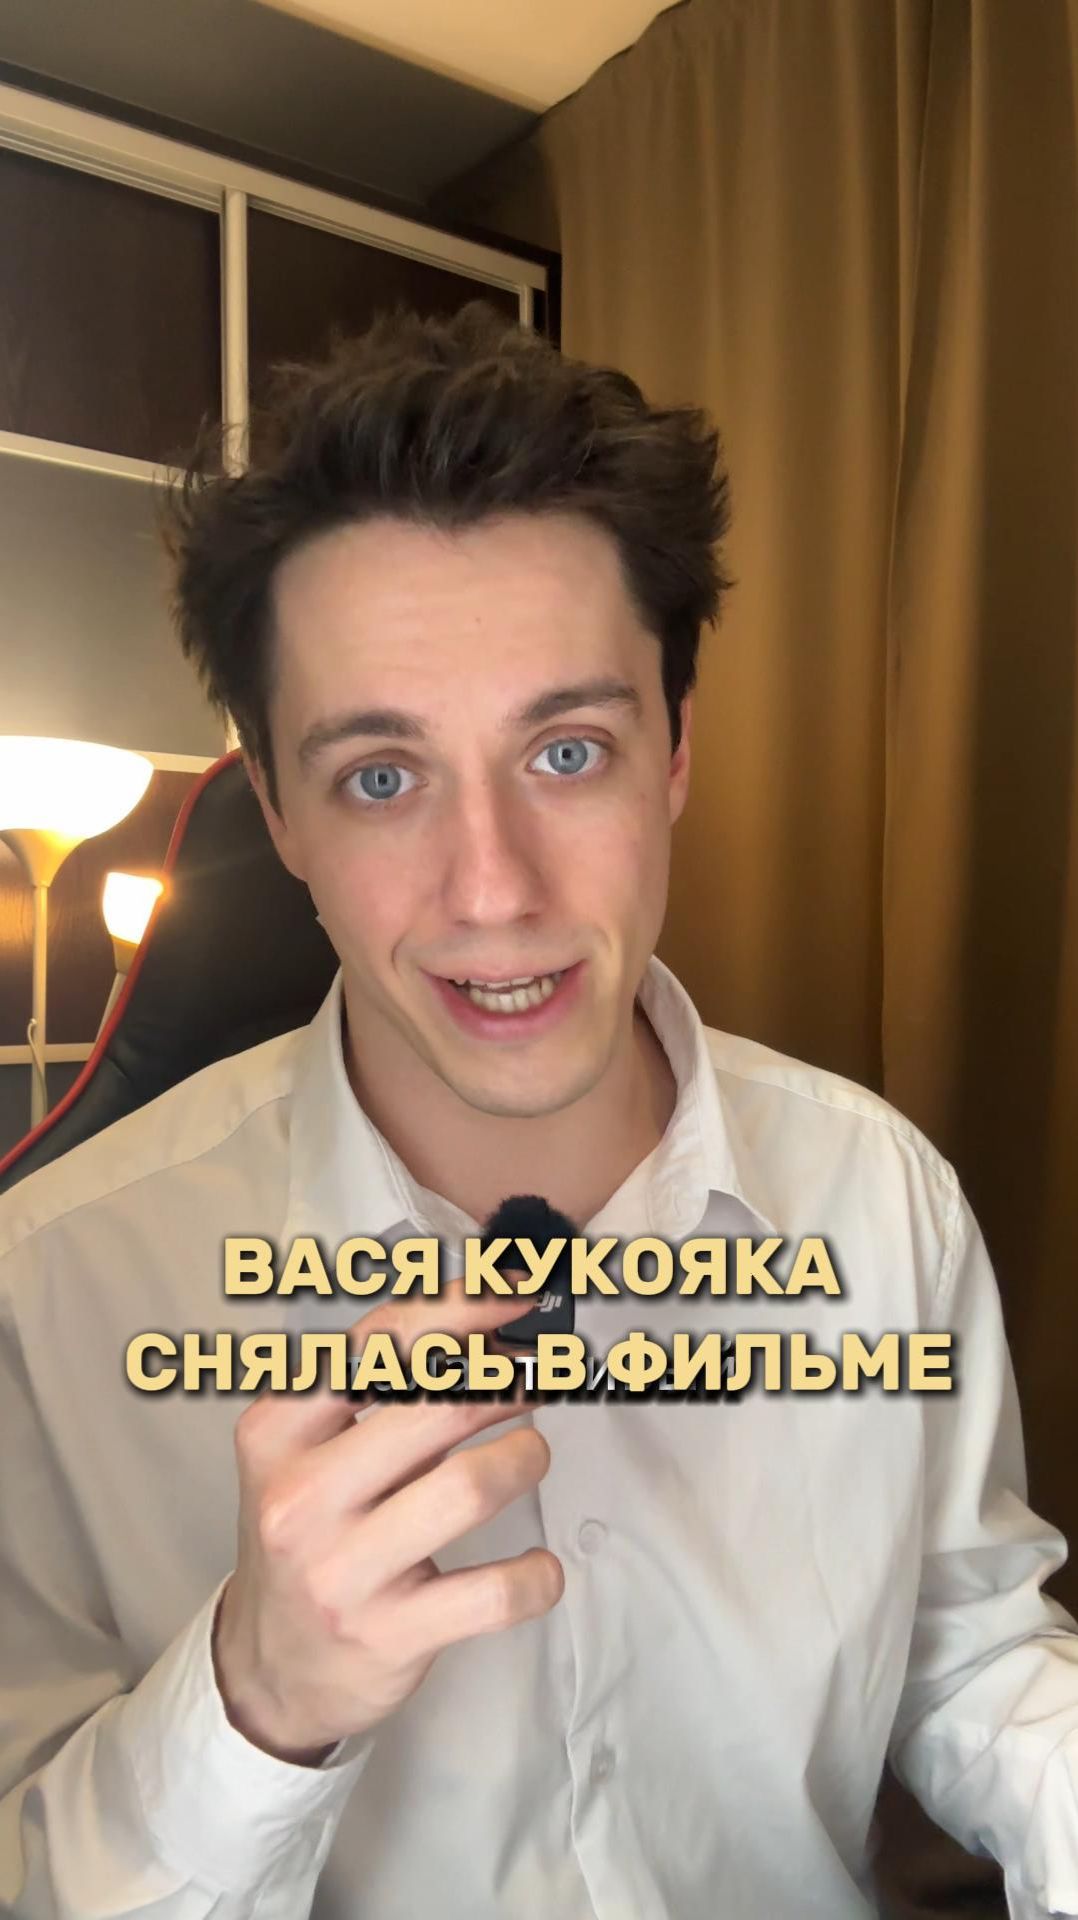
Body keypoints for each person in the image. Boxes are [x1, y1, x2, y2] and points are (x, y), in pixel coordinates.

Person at [1, 303, 1077, 1920]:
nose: (492, 889)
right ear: (278, 813)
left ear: (675, 757)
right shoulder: (52, 1293)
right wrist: (254, 1703)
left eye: (565, 753)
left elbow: (965, 1638)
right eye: (381, 778)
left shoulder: (879, 1197)